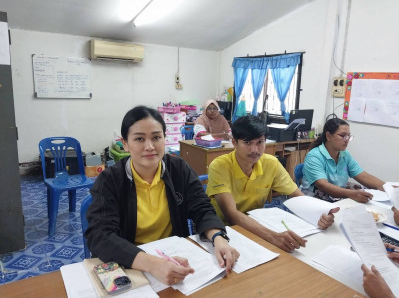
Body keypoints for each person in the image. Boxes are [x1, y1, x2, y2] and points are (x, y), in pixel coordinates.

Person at [85, 106, 239, 286]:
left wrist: (218, 238)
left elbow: (202, 208)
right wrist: (152, 264)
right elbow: (100, 234)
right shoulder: (110, 180)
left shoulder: (178, 169)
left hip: (175, 258)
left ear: (165, 139)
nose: (149, 147)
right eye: (139, 139)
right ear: (125, 143)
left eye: (156, 137)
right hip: (132, 262)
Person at [206, 115, 339, 253]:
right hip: (224, 231)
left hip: (256, 227)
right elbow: (231, 214)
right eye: (247, 143)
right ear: (234, 142)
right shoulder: (219, 166)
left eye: (260, 142)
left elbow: (299, 198)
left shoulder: (271, 163)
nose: (255, 150)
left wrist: (320, 214)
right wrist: (273, 237)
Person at [301, 118, 385, 203]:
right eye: (342, 135)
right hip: (313, 201)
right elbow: (323, 185)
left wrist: (387, 187)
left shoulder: (345, 155)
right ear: (328, 136)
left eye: (348, 136)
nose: (347, 140)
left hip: (337, 198)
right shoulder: (314, 156)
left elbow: (363, 176)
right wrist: (351, 194)